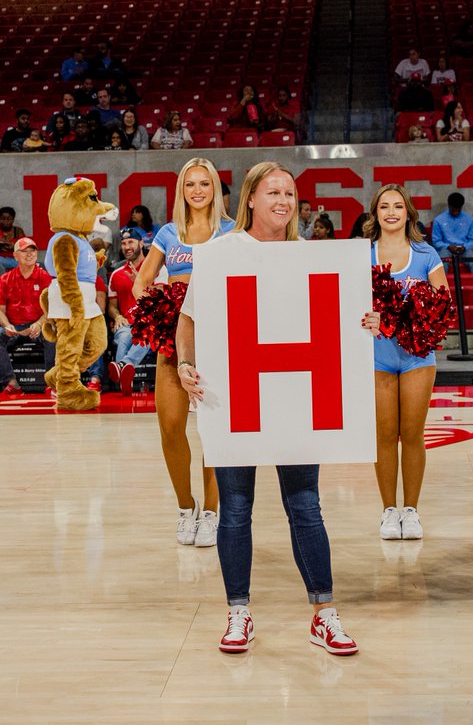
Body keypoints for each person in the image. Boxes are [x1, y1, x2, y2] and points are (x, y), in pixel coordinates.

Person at [176, 161, 357, 656]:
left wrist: (365, 317)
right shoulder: (219, 254)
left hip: (296, 397)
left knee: (306, 505)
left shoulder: (310, 255)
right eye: (273, 191)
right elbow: (187, 321)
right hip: (234, 398)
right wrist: (184, 364)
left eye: (290, 193)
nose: (284, 201)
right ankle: (238, 612)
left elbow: (340, 323)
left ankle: (324, 614)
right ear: (250, 199)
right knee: (235, 509)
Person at [134, 159, 235, 548]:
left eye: (204, 183)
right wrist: (160, 309)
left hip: (219, 336)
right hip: (174, 337)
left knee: (212, 431)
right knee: (171, 425)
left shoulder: (230, 231)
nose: (197, 190)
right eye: (190, 184)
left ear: (215, 188)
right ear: (182, 190)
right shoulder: (169, 233)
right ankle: (185, 506)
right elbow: (142, 282)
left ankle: (211, 512)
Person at [361, 184, 448, 542]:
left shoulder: (427, 255)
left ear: (409, 213)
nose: (391, 212)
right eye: (384, 206)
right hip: (377, 355)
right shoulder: (362, 255)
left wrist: (401, 321)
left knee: (412, 435)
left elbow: (443, 308)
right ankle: (387, 511)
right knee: (384, 436)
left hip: (417, 357)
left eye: (398, 206)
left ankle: (410, 510)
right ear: (375, 213)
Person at [0, 237, 55, 396]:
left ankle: (51, 383)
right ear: (15, 256)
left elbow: (51, 309)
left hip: (38, 325)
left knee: (53, 335)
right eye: (25, 251)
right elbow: (1, 309)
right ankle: (11, 382)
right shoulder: (5, 279)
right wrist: (7, 325)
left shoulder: (45, 278)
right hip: (14, 327)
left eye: (33, 250)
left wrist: (39, 323)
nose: (30, 254)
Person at [106, 227, 153, 394]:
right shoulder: (117, 274)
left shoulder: (155, 269)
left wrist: (140, 284)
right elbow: (111, 305)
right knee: (124, 336)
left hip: (149, 322)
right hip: (126, 322)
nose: (126, 246)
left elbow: (162, 301)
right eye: (124, 243)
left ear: (141, 243)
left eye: (131, 242)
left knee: (146, 334)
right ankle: (125, 377)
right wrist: (117, 316)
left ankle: (122, 367)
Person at [431, 192, 473, 259]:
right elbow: (436, 241)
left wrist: (465, 247)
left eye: (458, 210)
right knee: (442, 260)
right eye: (453, 210)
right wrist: (448, 246)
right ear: (449, 206)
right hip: (446, 249)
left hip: (464, 249)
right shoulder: (438, 220)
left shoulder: (469, 220)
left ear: (461, 207)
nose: (456, 213)